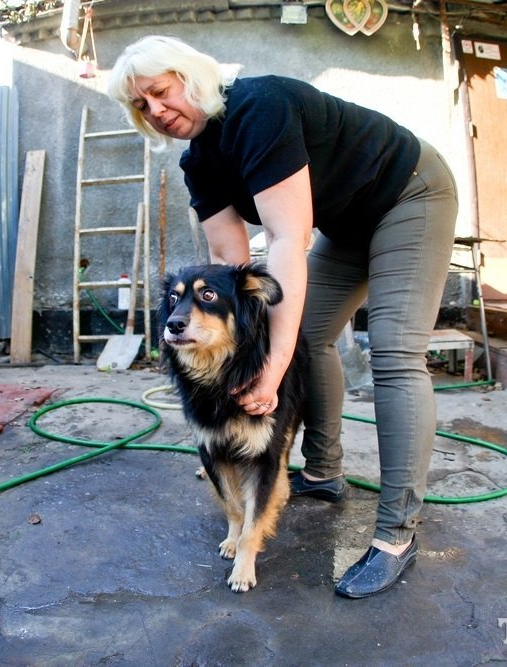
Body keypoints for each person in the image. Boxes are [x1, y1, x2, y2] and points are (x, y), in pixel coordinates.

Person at [108, 36, 458, 599]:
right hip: (346, 226)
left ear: (190, 76)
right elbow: (229, 263)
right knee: (312, 337)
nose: (155, 111)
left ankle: (397, 534)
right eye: (140, 106)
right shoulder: (199, 161)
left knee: (393, 351)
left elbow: (286, 240)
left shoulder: (258, 107)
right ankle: (323, 470)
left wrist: (269, 372)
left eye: (159, 91)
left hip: (407, 194)